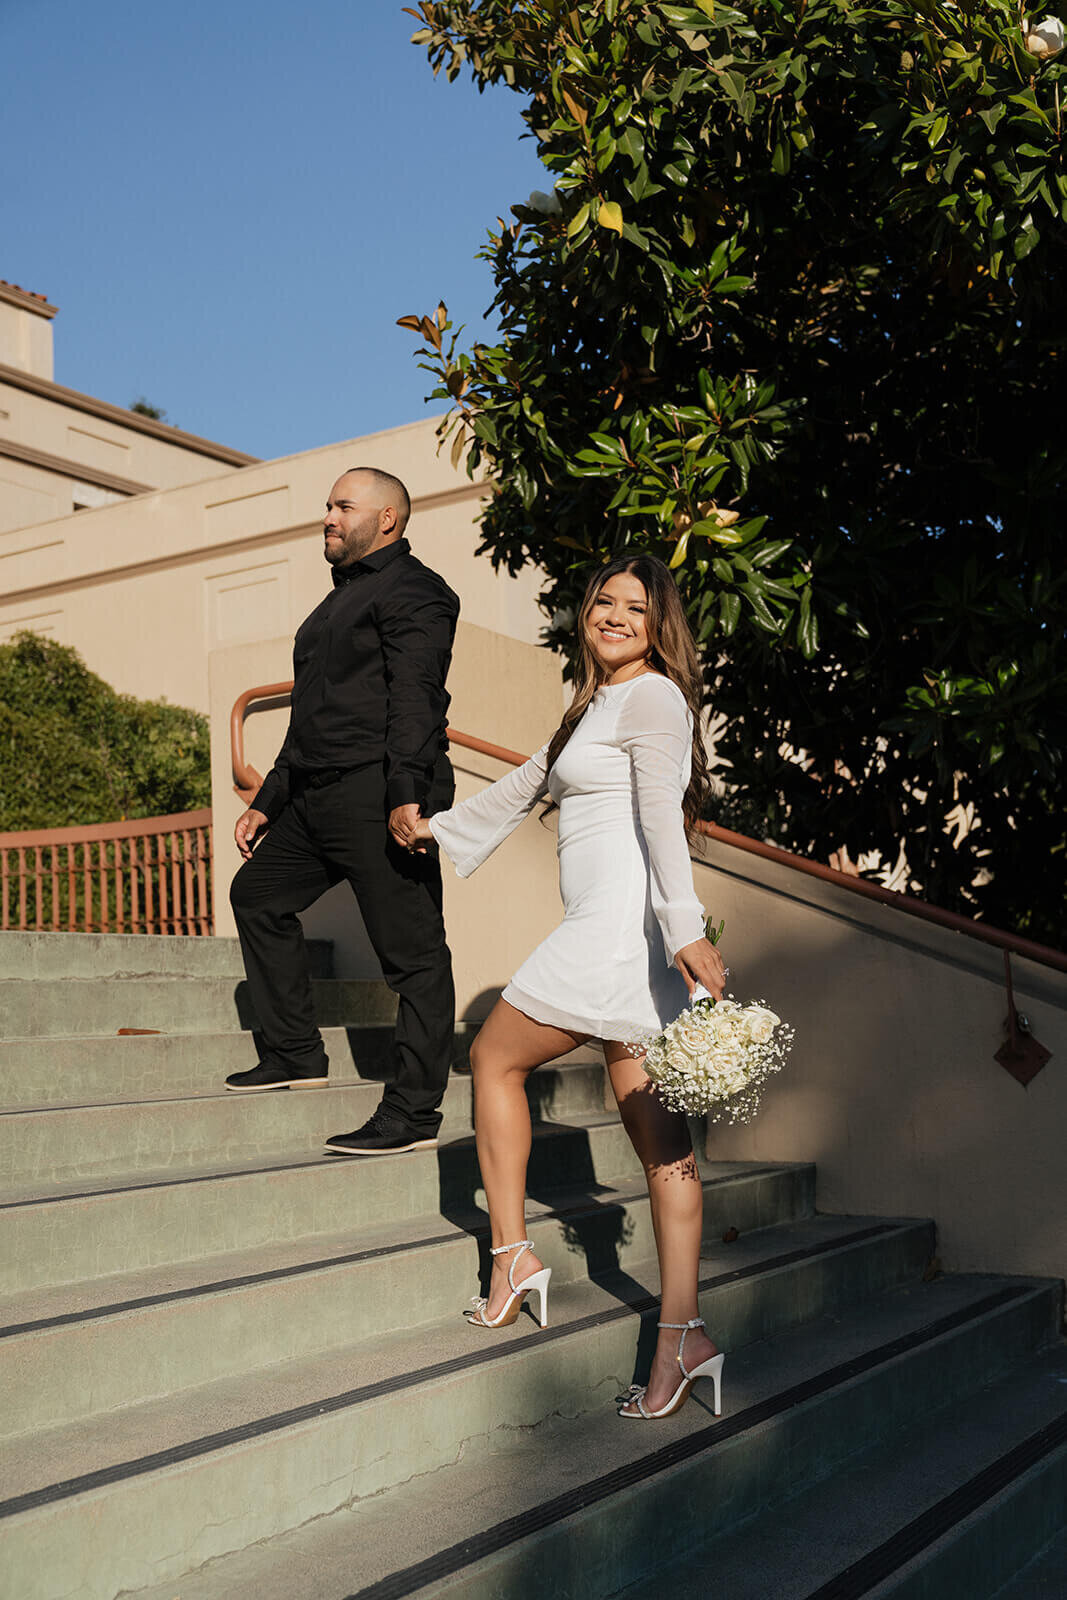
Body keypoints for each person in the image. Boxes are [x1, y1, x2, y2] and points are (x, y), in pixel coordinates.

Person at [395, 552, 728, 1420]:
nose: (614, 616)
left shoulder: (651, 697)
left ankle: (512, 1255)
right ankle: (682, 1336)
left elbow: (661, 812)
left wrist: (685, 926)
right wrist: (436, 826)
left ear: (660, 626)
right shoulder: (597, 705)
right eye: (603, 601)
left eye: (635, 607)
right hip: (624, 934)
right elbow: (523, 784)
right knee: (658, 1135)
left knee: (494, 1058)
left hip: (615, 932)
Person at [226, 466, 460, 1157]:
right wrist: (268, 800)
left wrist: (404, 796)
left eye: (341, 505)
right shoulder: (329, 609)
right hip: (315, 797)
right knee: (257, 896)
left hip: (378, 793)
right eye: (326, 505)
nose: (326, 516)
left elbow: (417, 700)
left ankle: (414, 1111)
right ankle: (295, 1054)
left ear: (386, 518)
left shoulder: (417, 592)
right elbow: (310, 719)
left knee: (413, 958)